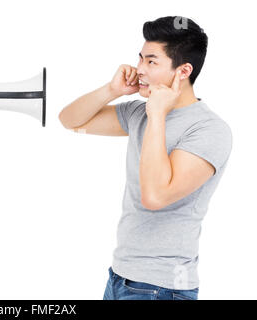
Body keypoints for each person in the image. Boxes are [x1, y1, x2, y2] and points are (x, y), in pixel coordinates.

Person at [59, 16, 232, 300]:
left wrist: (157, 114)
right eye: (140, 58)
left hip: (163, 288)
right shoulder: (140, 113)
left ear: (183, 70)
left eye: (151, 61)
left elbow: (154, 196)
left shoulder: (210, 130)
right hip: (120, 278)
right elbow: (70, 120)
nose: (139, 69)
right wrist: (111, 90)